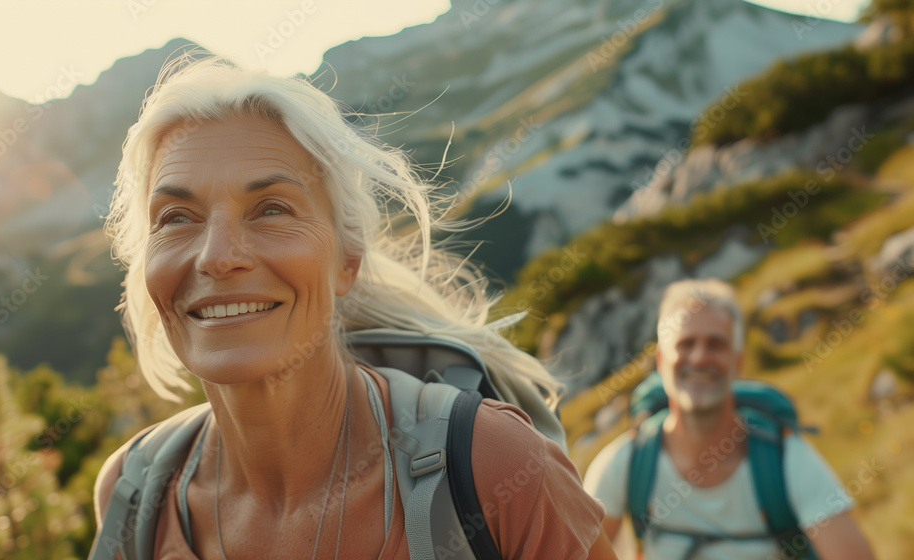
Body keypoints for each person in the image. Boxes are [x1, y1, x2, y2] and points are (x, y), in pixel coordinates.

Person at [90, 55, 617, 559]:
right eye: (176, 217)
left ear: (347, 258)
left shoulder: (496, 467)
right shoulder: (134, 495)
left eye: (271, 209)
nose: (218, 255)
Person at [583, 279, 876, 559]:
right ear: (661, 361)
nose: (699, 358)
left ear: (737, 362)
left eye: (715, 344)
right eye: (686, 344)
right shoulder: (624, 464)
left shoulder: (788, 460)